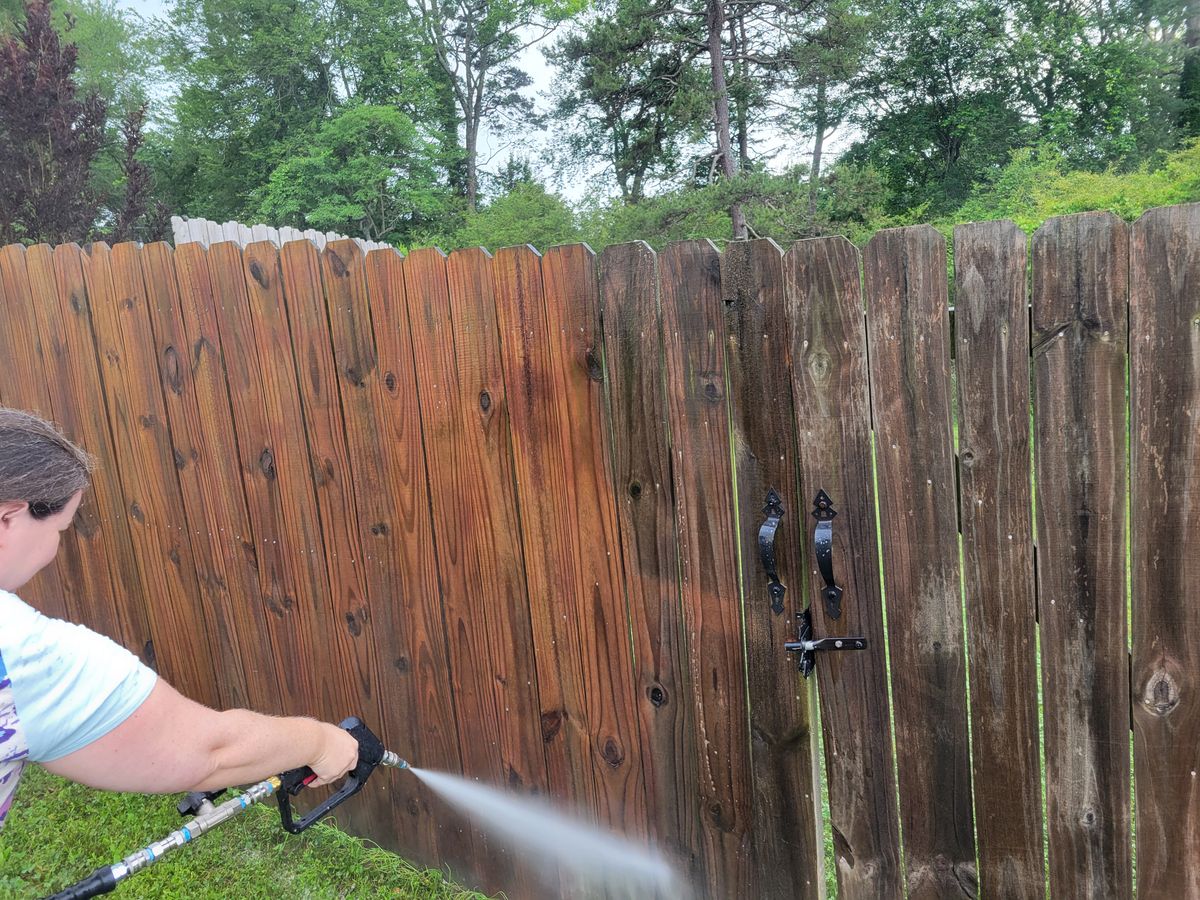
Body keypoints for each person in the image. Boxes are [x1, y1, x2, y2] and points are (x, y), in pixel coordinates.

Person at [0, 406, 359, 832]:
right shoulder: (24, 653)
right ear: (9, 517)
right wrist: (320, 742)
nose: (56, 550)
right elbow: (206, 752)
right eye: (61, 529)